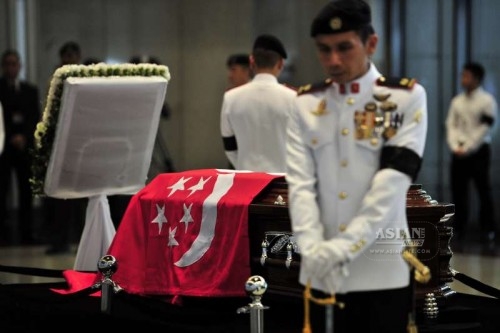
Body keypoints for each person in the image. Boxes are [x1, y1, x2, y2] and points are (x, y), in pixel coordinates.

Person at [285, 1, 428, 332]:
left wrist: (339, 249)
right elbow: (301, 183)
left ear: (371, 44)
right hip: (319, 267)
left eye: (344, 48)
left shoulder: (405, 98)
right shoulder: (306, 104)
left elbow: (391, 184)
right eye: (324, 50)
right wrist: (311, 248)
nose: (333, 60)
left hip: (380, 270)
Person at [220, 34, 296, 173]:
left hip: (247, 182)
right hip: (282, 183)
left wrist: (246, 168)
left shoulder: (230, 98)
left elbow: (230, 147)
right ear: (280, 64)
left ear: (252, 62)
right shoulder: (293, 98)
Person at [445, 62, 497, 244]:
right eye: (462, 75)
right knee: (458, 191)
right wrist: (455, 145)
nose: (463, 79)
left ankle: (488, 229)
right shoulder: (457, 101)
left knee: (483, 190)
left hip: (478, 152)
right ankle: (459, 228)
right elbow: (451, 125)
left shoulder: (487, 101)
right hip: (458, 151)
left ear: (476, 78)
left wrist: (468, 147)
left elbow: (485, 128)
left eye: (466, 76)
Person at [43, 41, 86, 254]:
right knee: (60, 196)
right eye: (65, 57)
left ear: (77, 58)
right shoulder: (56, 81)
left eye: (71, 56)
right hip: (61, 143)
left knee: (80, 197)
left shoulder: (86, 81)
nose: (68, 60)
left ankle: (82, 240)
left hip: (80, 143)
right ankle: (60, 240)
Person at [0, 49, 41, 244]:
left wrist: (24, 136)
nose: (11, 68)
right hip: (4, 148)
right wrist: (9, 137)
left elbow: (34, 117)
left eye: (14, 64)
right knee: (2, 189)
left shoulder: (29, 90)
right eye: (7, 64)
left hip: (24, 147)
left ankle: (28, 232)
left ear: (20, 66)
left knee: (26, 191)